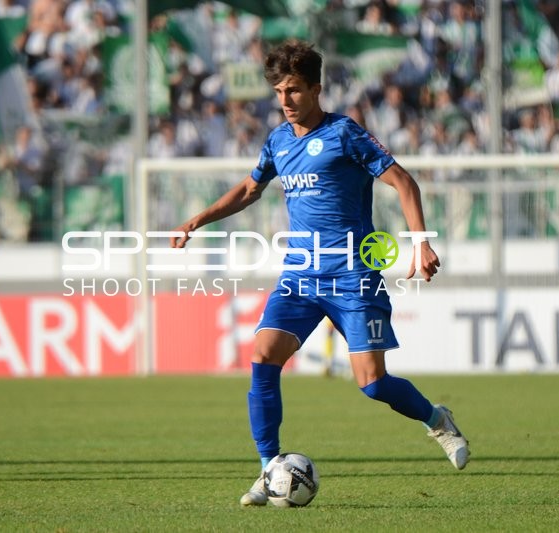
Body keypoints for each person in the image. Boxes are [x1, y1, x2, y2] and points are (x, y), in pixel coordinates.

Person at [170, 40, 470, 507]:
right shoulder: (277, 141)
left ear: (316, 88)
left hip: (354, 274)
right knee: (264, 352)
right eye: (278, 91)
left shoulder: (345, 133)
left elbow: (403, 181)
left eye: (293, 90)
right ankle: (269, 468)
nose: (285, 100)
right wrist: (198, 220)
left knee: (372, 384)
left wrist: (421, 242)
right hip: (301, 275)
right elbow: (250, 189)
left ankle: (436, 419)